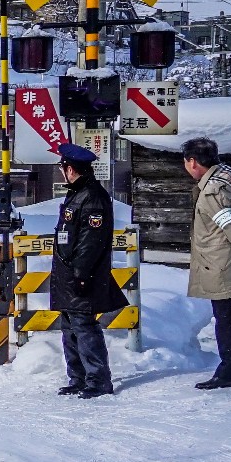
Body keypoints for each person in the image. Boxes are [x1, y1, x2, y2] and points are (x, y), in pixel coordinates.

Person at [181, 136, 231, 389]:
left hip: (221, 264)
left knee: (228, 320)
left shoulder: (212, 193)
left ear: (193, 162)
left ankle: (229, 372)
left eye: (185, 161)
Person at [49, 142, 129, 397]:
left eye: (63, 167)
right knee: (70, 326)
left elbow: (91, 241)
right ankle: (78, 377)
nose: (62, 171)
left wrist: (81, 274)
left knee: (83, 326)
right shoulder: (78, 193)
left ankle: (98, 379)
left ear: (71, 169)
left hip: (80, 274)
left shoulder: (92, 197)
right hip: (67, 273)